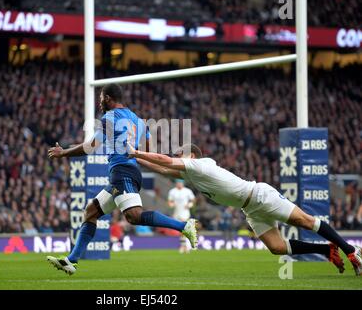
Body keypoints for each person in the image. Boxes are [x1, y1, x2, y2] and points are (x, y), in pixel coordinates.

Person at [129, 143, 362, 276]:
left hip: (260, 195)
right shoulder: (192, 174)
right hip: (250, 208)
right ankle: (325, 250)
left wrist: (137, 152)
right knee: (277, 247)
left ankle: (350, 248)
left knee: (305, 221)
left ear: (191, 156)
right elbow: (163, 169)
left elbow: (166, 162)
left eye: (179, 154)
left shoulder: (199, 164)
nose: (176, 157)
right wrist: (136, 159)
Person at [46, 84, 198, 275]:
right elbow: (148, 150)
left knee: (134, 216)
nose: (100, 102)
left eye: (102, 97)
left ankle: (184, 226)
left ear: (108, 98)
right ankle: (71, 260)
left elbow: (91, 146)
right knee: (91, 211)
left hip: (122, 171)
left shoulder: (109, 118)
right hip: (129, 171)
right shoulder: (138, 120)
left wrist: (64, 153)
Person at [167, 179, 195, 253]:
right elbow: (170, 201)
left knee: (184, 229)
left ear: (183, 183)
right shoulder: (172, 191)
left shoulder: (187, 191)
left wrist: (189, 205)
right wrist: (171, 204)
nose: (179, 184)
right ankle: (184, 245)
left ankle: (184, 246)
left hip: (185, 212)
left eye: (180, 183)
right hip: (176, 213)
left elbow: (193, 200)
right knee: (180, 230)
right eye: (178, 183)